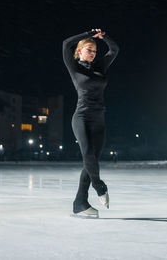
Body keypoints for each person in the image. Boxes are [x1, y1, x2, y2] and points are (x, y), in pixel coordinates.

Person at [62, 28, 119, 218]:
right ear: (79, 51)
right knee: (88, 155)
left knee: (91, 161)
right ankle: (99, 187)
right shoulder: (74, 67)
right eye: (89, 49)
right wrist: (87, 33)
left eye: (94, 51)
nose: (93, 53)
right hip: (81, 117)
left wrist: (104, 37)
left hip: (99, 119)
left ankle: (80, 202)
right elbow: (65, 44)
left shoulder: (99, 67)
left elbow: (114, 50)